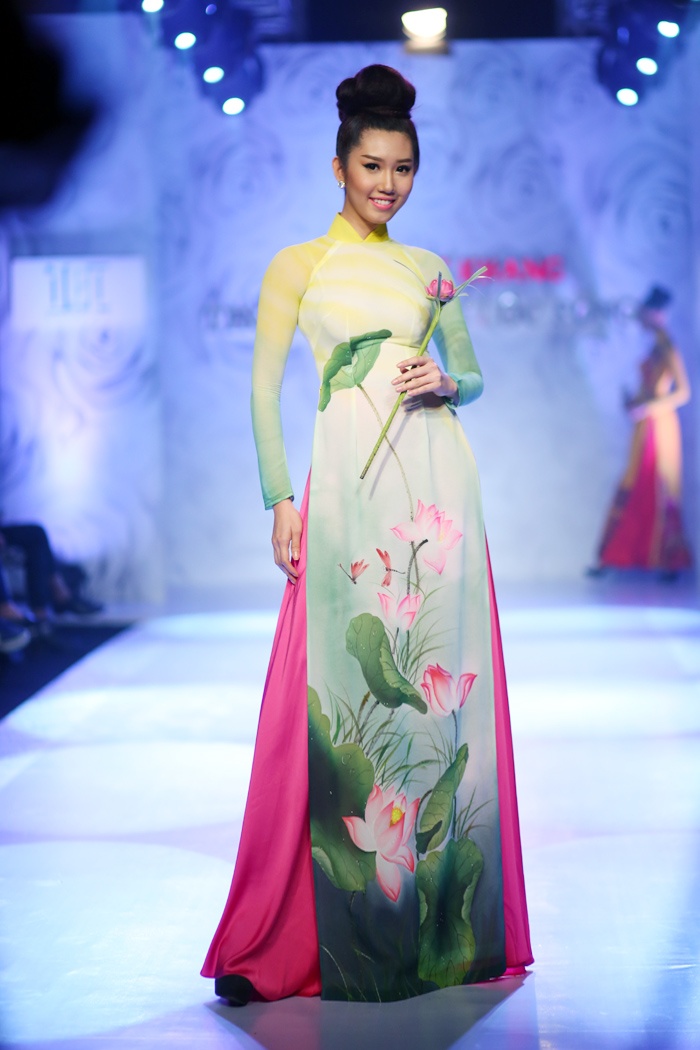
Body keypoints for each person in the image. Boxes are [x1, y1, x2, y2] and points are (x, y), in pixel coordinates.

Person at [202, 64, 533, 1005]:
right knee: (320, 705)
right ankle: (288, 937)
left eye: (403, 168)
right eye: (372, 166)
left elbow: (472, 377)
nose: (388, 184)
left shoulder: (430, 269)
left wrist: (447, 382)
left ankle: (433, 932)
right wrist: (280, 499)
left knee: (431, 704)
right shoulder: (298, 266)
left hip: (435, 501)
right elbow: (263, 388)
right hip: (345, 498)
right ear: (339, 166)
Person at [589, 286, 692, 579]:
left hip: (660, 426)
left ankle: (669, 560)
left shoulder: (667, 347)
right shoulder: (655, 347)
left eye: (647, 313)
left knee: (659, 487)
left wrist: (646, 408)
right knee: (636, 484)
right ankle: (614, 557)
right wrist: (634, 402)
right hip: (646, 426)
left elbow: (683, 392)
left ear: (658, 314)